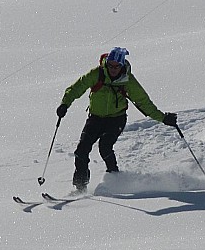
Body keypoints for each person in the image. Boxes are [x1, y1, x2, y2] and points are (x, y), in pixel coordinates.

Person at [56, 47, 177, 191]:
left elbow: (144, 103)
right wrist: (65, 104)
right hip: (95, 118)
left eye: (117, 66)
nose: (113, 69)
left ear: (122, 65)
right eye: (110, 65)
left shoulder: (127, 80)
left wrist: (163, 118)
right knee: (81, 151)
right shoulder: (97, 74)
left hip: (116, 120)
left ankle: (115, 180)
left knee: (105, 146)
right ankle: (80, 187)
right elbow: (77, 87)